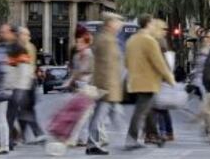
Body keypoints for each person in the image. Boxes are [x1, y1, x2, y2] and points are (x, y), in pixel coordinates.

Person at [125, 14, 175, 151]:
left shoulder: (132, 40)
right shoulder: (149, 40)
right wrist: (170, 79)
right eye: (152, 23)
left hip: (134, 81)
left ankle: (155, 135)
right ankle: (132, 137)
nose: (154, 25)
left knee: (147, 109)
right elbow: (159, 63)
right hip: (147, 82)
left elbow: (126, 62)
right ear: (147, 24)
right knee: (141, 111)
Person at [86, 13, 123, 156]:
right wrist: (107, 87)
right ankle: (93, 144)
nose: (120, 25)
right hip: (106, 86)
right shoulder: (106, 40)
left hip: (107, 85)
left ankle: (130, 141)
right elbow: (107, 65)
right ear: (110, 23)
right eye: (117, 22)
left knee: (111, 115)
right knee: (99, 117)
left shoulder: (107, 38)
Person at [17, 27, 45, 144]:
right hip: (27, 82)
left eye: (27, 35)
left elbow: (24, 67)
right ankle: (22, 135)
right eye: (25, 35)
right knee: (24, 110)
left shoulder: (25, 47)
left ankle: (38, 133)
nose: (27, 37)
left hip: (26, 82)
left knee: (26, 110)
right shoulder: (28, 46)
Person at [66, 25, 93, 146]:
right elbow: (75, 68)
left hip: (86, 85)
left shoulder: (87, 53)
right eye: (77, 41)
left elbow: (80, 70)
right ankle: (82, 137)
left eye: (79, 42)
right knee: (84, 113)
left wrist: (71, 80)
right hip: (81, 85)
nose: (77, 44)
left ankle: (79, 137)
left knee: (84, 114)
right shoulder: (78, 54)